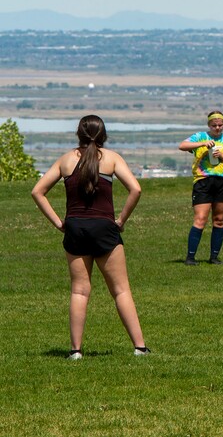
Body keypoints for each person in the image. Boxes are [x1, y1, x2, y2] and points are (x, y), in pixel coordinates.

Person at [31, 114, 150, 360]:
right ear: (103, 134)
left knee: (79, 292)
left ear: (79, 134)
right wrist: (121, 221)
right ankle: (140, 347)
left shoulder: (65, 160)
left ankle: (75, 351)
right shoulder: (111, 158)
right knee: (120, 291)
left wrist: (59, 223)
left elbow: (37, 191)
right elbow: (135, 189)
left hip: (75, 228)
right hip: (105, 228)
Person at [178, 110, 223, 265]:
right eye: (214, 125)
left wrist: (222, 156)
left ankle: (214, 257)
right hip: (203, 181)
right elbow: (182, 146)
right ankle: (190, 257)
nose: (217, 128)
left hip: (222, 182)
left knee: (219, 220)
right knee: (200, 219)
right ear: (209, 125)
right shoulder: (200, 137)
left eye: (220, 125)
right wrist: (202, 145)